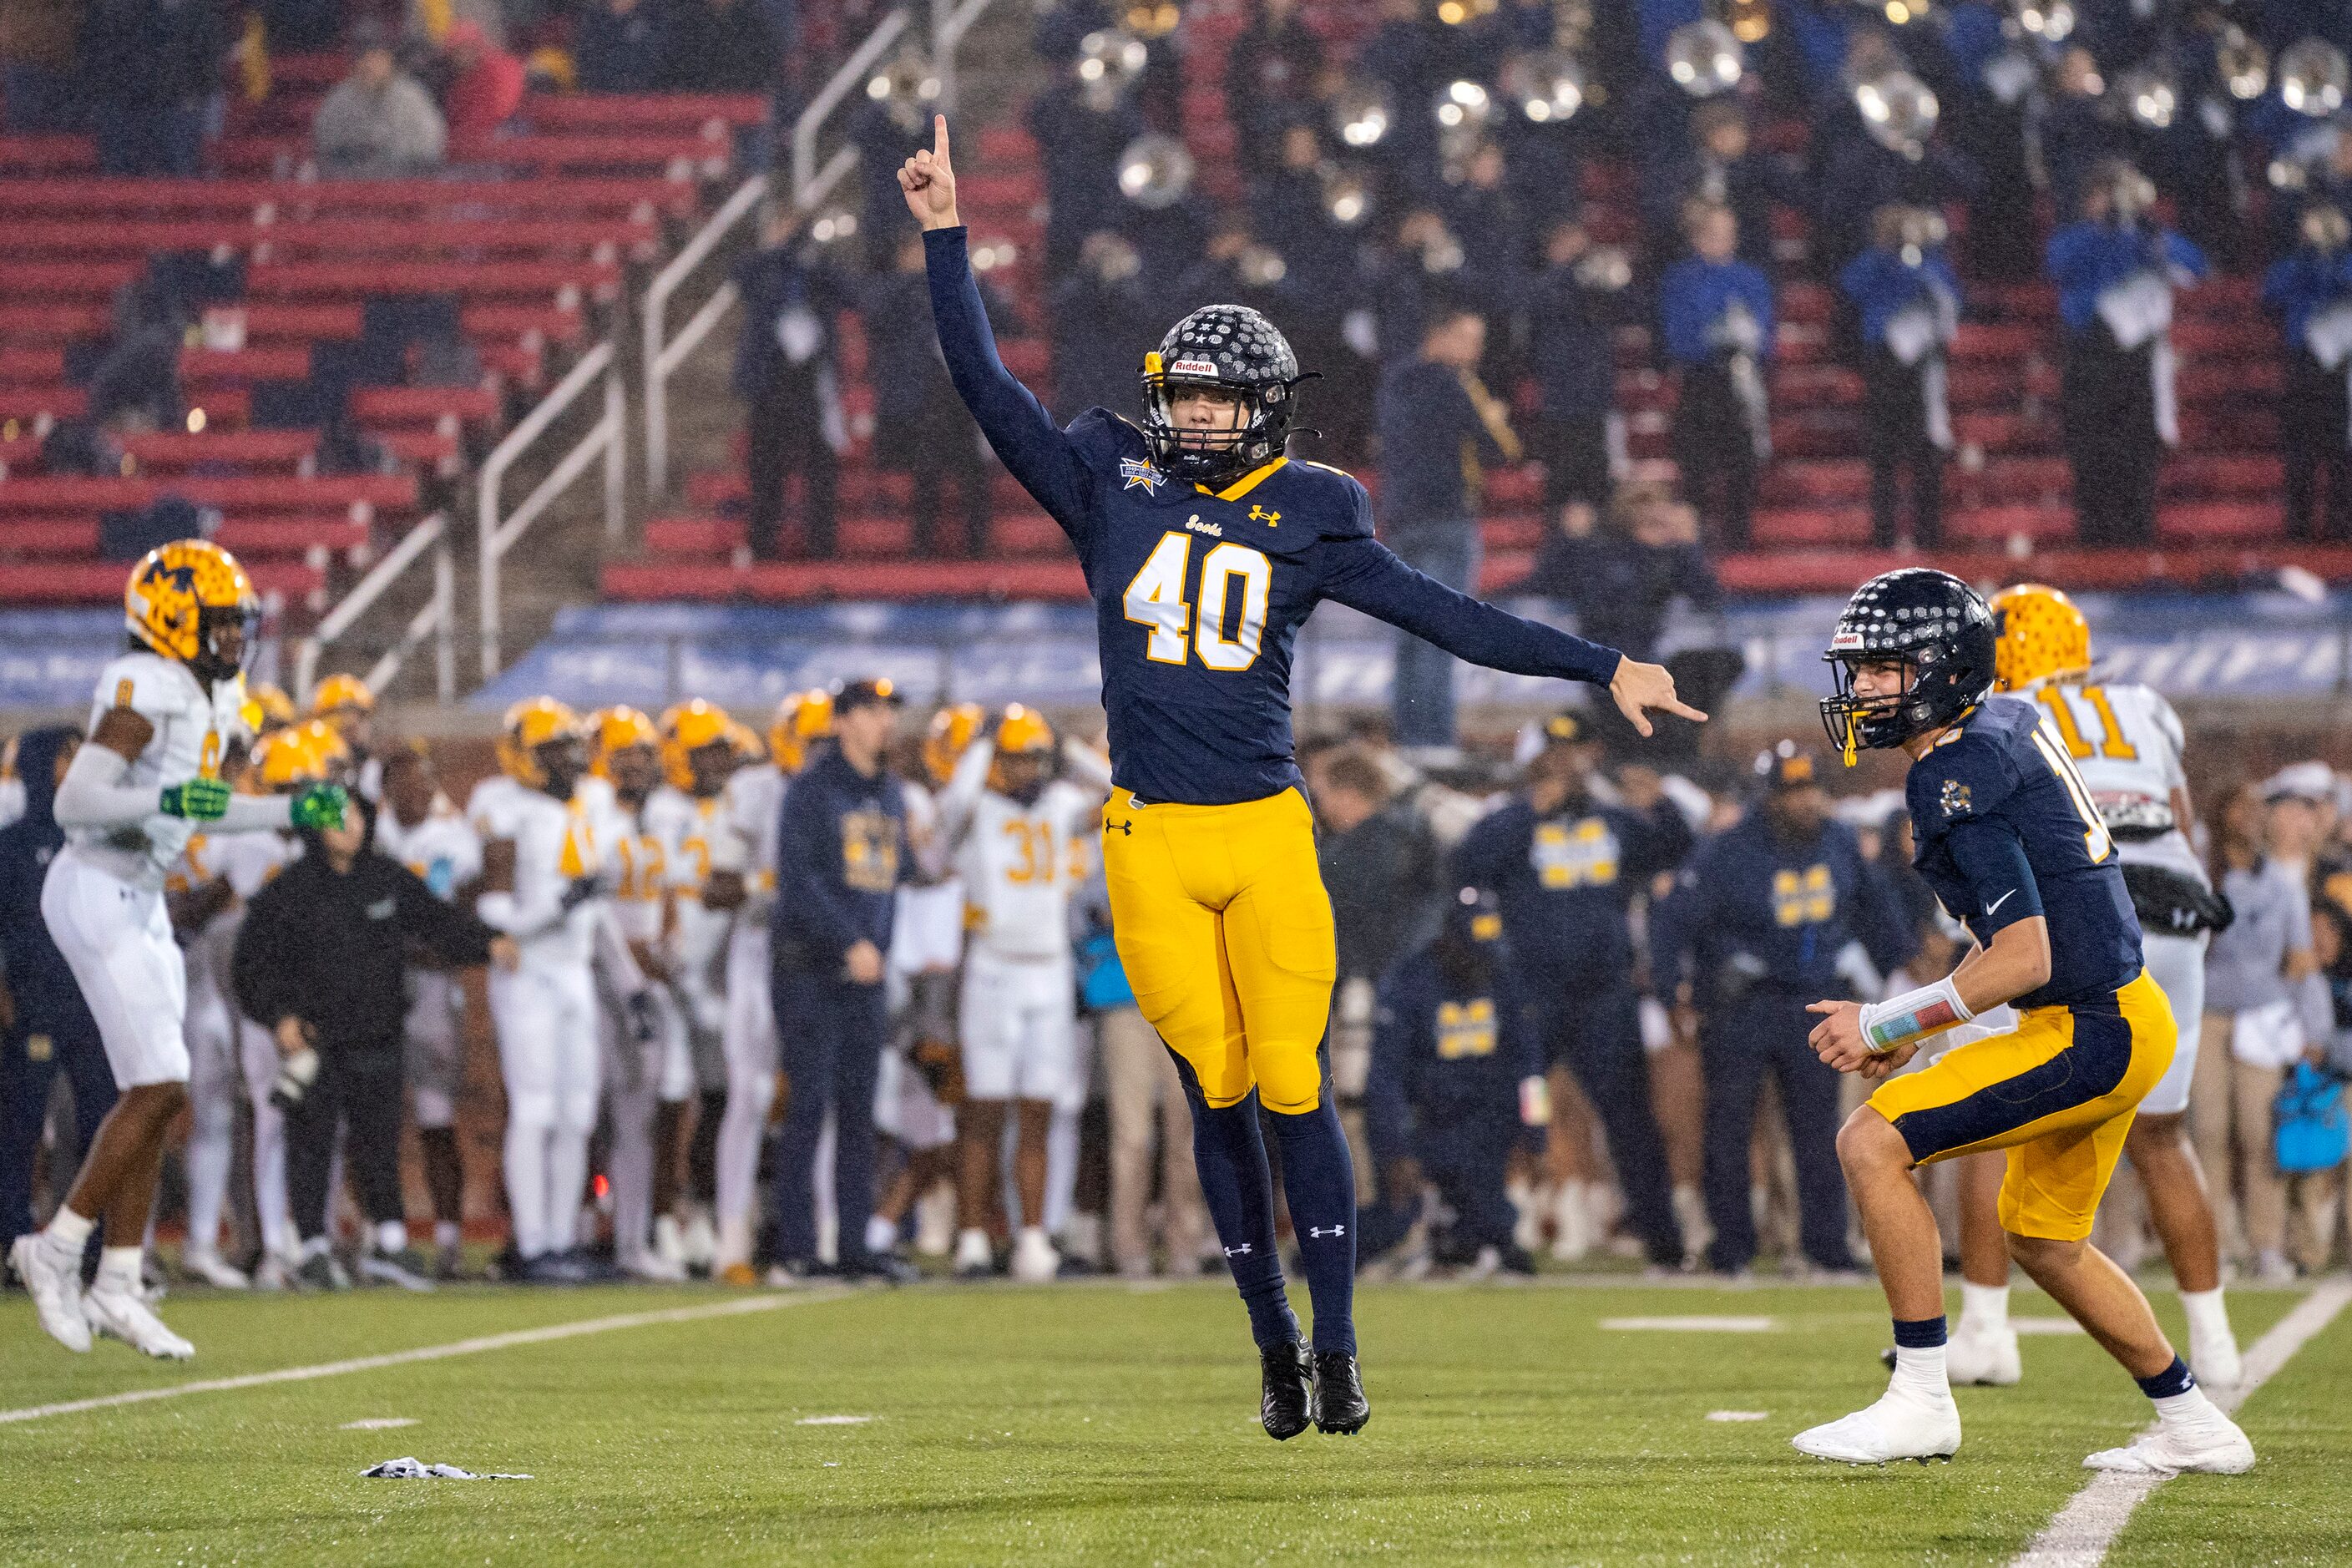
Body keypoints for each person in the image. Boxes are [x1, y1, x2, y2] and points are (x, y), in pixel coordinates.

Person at [903, 114, 1702, 1440]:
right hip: (1149, 837)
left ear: (1265, 408)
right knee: (1215, 1090)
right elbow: (990, 391)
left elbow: (1452, 615)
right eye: (1188, 393)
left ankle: (1335, 1344)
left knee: (1294, 1082)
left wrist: (1598, 662)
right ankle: (1270, 1337)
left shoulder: (1314, 509)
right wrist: (947, 238)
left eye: (1221, 398)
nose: (1199, 415)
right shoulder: (1110, 476)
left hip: (1268, 833)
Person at [1801, 566, 2254, 1476]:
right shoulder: (2001, 723)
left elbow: (2026, 957)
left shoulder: (1954, 775)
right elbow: (2019, 929)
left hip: (2088, 1024)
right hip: (2125, 1011)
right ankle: (2202, 1427)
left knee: (1869, 1145)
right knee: (2045, 1239)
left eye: (1885, 670)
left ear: (1944, 670)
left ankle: (1921, 1401)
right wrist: (1926, 1028)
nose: (1862, 690)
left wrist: (1887, 1022)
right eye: (1862, 670)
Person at [12, 542, 347, 1359]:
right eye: (219, 623)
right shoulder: (145, 686)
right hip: (93, 886)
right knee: (159, 1085)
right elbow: (79, 802)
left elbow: (206, 810)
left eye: (239, 624)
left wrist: (288, 814)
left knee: (158, 1092)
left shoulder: (219, 694)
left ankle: (119, 1281)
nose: (235, 639)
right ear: (169, 623)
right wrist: (180, 795)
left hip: (141, 894)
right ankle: (53, 1250)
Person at [1967, 584, 2244, 1383]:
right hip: (2175, 904)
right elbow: (2180, 822)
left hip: (2081, 903)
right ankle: (2217, 1340)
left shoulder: (2004, 716)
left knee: (1992, 1112)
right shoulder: (2145, 704)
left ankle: (1986, 1331)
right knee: (2164, 1133)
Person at [233, 736, 516, 1293]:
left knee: (379, 1141)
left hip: (378, 1035)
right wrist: (279, 1017)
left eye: (357, 816)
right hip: (316, 1040)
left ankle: (388, 1240)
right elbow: (251, 967)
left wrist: (489, 943)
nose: (352, 827)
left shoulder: (385, 879)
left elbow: (439, 923)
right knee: (311, 1142)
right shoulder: (288, 892)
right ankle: (310, 1244)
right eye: (338, 819)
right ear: (315, 826)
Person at [1651, 745, 1916, 1277]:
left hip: (1816, 1004)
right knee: (1729, 1129)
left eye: (1809, 789)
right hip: (1740, 1005)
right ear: (1768, 796)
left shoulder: (1840, 841)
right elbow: (1673, 919)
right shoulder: (1725, 850)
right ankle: (1730, 1251)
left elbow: (1877, 913)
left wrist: (1901, 970)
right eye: (1790, 792)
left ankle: (1826, 1249)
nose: (1803, 801)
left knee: (1820, 1130)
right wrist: (1671, 988)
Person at [1451, 711, 1694, 1270]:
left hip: (1602, 1000)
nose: (1566, 764)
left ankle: (1664, 1244)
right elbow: (1466, 867)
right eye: (1555, 755)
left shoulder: (1612, 819)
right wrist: (1527, 815)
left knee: (1628, 1120)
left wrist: (1659, 804)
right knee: (1514, 1111)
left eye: (1575, 752)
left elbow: (1674, 848)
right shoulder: (1510, 821)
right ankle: (1489, 1237)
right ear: (1539, 763)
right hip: (1532, 1000)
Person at [936, 706, 1105, 1282]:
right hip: (992, 969)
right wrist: (984, 745)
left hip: (1049, 971)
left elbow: (1123, 791)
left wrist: (1068, 748)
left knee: (1037, 1110)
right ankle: (973, 1239)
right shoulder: (973, 809)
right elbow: (953, 801)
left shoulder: (1059, 805)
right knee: (984, 1112)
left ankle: (1033, 1237)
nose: (1025, 768)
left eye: (1033, 757)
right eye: (1014, 757)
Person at [769, 678, 918, 1285]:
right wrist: (848, 941)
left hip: (866, 975)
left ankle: (853, 1244)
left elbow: (889, 884)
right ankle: (798, 1247)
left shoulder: (890, 793)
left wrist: (878, 947)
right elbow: (799, 880)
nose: (886, 722)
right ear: (844, 721)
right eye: (874, 711)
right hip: (809, 969)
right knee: (807, 1108)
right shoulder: (809, 791)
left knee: (859, 1113)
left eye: (888, 712)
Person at [468, 700, 612, 1284]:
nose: (567, 758)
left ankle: (561, 1238)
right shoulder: (501, 805)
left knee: (577, 1114)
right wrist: (559, 905)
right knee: (534, 1108)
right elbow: (494, 910)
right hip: (527, 970)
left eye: (570, 746)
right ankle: (531, 1243)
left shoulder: (592, 801)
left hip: (577, 968)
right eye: (552, 748)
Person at [1364, 888, 1547, 1276]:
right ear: (1449, 939)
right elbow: (1384, 1077)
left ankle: (1460, 1237)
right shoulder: (1410, 982)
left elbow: (1531, 1067)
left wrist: (1535, 1135)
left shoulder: (1505, 977)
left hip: (1485, 1127)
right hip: (1424, 1125)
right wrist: (1395, 1151)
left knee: (1497, 1233)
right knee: (1395, 1221)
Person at [706, 690, 826, 1281]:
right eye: (817, 742)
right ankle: (732, 1239)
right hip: (761, 955)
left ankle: (823, 1237)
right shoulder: (755, 790)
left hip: (824, 960)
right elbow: (718, 886)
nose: (826, 754)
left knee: (819, 1100)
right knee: (750, 1096)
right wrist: (782, 890)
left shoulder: (850, 793)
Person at [1375, 306, 1522, 760]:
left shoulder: (1392, 383)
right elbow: (1503, 448)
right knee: (1440, 633)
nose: (1475, 350)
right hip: (1446, 519)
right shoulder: (1457, 382)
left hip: (1399, 523)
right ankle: (1435, 744)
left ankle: (1407, 741)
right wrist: (1496, 413)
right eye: (1468, 337)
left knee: (1408, 636)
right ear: (1438, 335)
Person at [2197, 781, 2323, 1286]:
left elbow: (2300, 959)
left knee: (2259, 1134)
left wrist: (2310, 1023)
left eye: (2257, 809)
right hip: (2206, 1013)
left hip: (2264, 1017)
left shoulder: (2282, 886)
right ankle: (2214, 1245)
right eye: (2242, 806)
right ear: (2223, 815)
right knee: (2208, 1131)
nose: (2252, 817)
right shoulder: (2203, 877)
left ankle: (2265, 1245)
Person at [2046, 164, 2208, 546]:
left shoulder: (2147, 236)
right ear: (2088, 201)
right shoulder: (2075, 238)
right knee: (2090, 447)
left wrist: (2146, 230)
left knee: (2138, 448)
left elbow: (2195, 265)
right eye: (2104, 194)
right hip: (2089, 352)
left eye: (2118, 193)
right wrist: (2108, 231)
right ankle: (2095, 538)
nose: (2112, 202)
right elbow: (2058, 264)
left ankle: (2137, 536)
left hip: (2137, 356)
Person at [584, 706, 692, 1281]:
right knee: (579, 1112)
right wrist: (634, 960)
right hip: (596, 980)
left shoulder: (659, 818)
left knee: (636, 1117)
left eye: (644, 756)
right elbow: (593, 907)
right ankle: (573, 1233)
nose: (636, 768)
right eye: (625, 757)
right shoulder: (590, 816)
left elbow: (668, 894)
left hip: (643, 983)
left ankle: (631, 1240)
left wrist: (667, 953)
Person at [0, 729, 115, 1267]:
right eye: (68, 755)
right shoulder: (12, 846)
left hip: (94, 1008)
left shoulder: (96, 842)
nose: (76, 765)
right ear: (43, 764)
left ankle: (96, 1249)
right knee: (21, 1131)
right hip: (32, 1008)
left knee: (103, 1129)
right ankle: (13, 1243)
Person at [373, 739, 484, 1281]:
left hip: (432, 990)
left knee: (437, 1119)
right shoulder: (371, 836)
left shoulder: (452, 839)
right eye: (402, 784)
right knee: (373, 1120)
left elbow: (451, 923)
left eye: (422, 782)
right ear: (385, 791)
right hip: (374, 991)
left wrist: (402, 940)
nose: (414, 793)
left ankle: (448, 1239)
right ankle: (378, 1236)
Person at [1840, 207, 1960, 549]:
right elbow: (1852, 285)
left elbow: (1952, 300)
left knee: (1927, 450)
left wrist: (1923, 258)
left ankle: (1929, 536)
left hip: (1924, 365)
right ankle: (1883, 537)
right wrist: (1886, 254)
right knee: (1884, 451)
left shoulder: (1932, 263)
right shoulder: (1873, 263)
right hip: (1884, 363)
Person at [732, 207, 847, 560]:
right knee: (767, 467)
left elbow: (846, 289)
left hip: (812, 379)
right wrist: (781, 248)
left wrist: (805, 249)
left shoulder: (815, 267)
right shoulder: (762, 265)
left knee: (819, 466)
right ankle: (763, 544)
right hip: (772, 378)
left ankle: (821, 547)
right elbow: (745, 278)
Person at [1661, 200, 1773, 549]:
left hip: (1741, 379)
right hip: (1700, 379)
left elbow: (1766, 332)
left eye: (1727, 234)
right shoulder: (1680, 278)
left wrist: (1751, 343)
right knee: (1695, 465)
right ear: (1697, 237)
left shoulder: (1751, 278)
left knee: (1741, 462)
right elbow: (1676, 334)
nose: (1720, 241)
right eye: (1712, 234)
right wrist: (1716, 333)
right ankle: (1692, 544)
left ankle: (1738, 539)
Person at [1514, 479, 1718, 669]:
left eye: (1661, 522)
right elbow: (1542, 584)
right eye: (1650, 523)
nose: (1658, 530)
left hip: (1649, 660)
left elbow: (1709, 598)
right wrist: (1570, 541)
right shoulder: (1599, 556)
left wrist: (1690, 545)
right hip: (1605, 664)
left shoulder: (1673, 559)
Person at [2262, 202, 2352, 542]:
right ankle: (2298, 529)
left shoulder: (2346, 262)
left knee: (2341, 452)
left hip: (2342, 365)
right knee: (2300, 451)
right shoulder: (2295, 265)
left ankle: (2339, 528)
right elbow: (2271, 294)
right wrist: (2310, 257)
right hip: (2304, 362)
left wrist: (2334, 257)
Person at [314, 33, 448, 179]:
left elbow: (428, 149)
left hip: (403, 183)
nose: (369, 65)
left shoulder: (411, 97)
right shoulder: (340, 99)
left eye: (376, 58)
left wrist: (385, 157)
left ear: (389, 62)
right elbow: (327, 147)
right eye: (363, 59)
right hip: (354, 183)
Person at [439, 19, 524, 140]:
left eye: (466, 49)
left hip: (502, 129)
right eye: (456, 51)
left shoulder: (496, 70)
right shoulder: (457, 82)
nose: (460, 56)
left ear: (477, 48)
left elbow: (500, 110)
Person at [574, 0, 671, 93]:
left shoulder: (656, 16)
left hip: (651, 96)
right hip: (601, 96)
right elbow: (588, 61)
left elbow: (662, 60)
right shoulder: (595, 19)